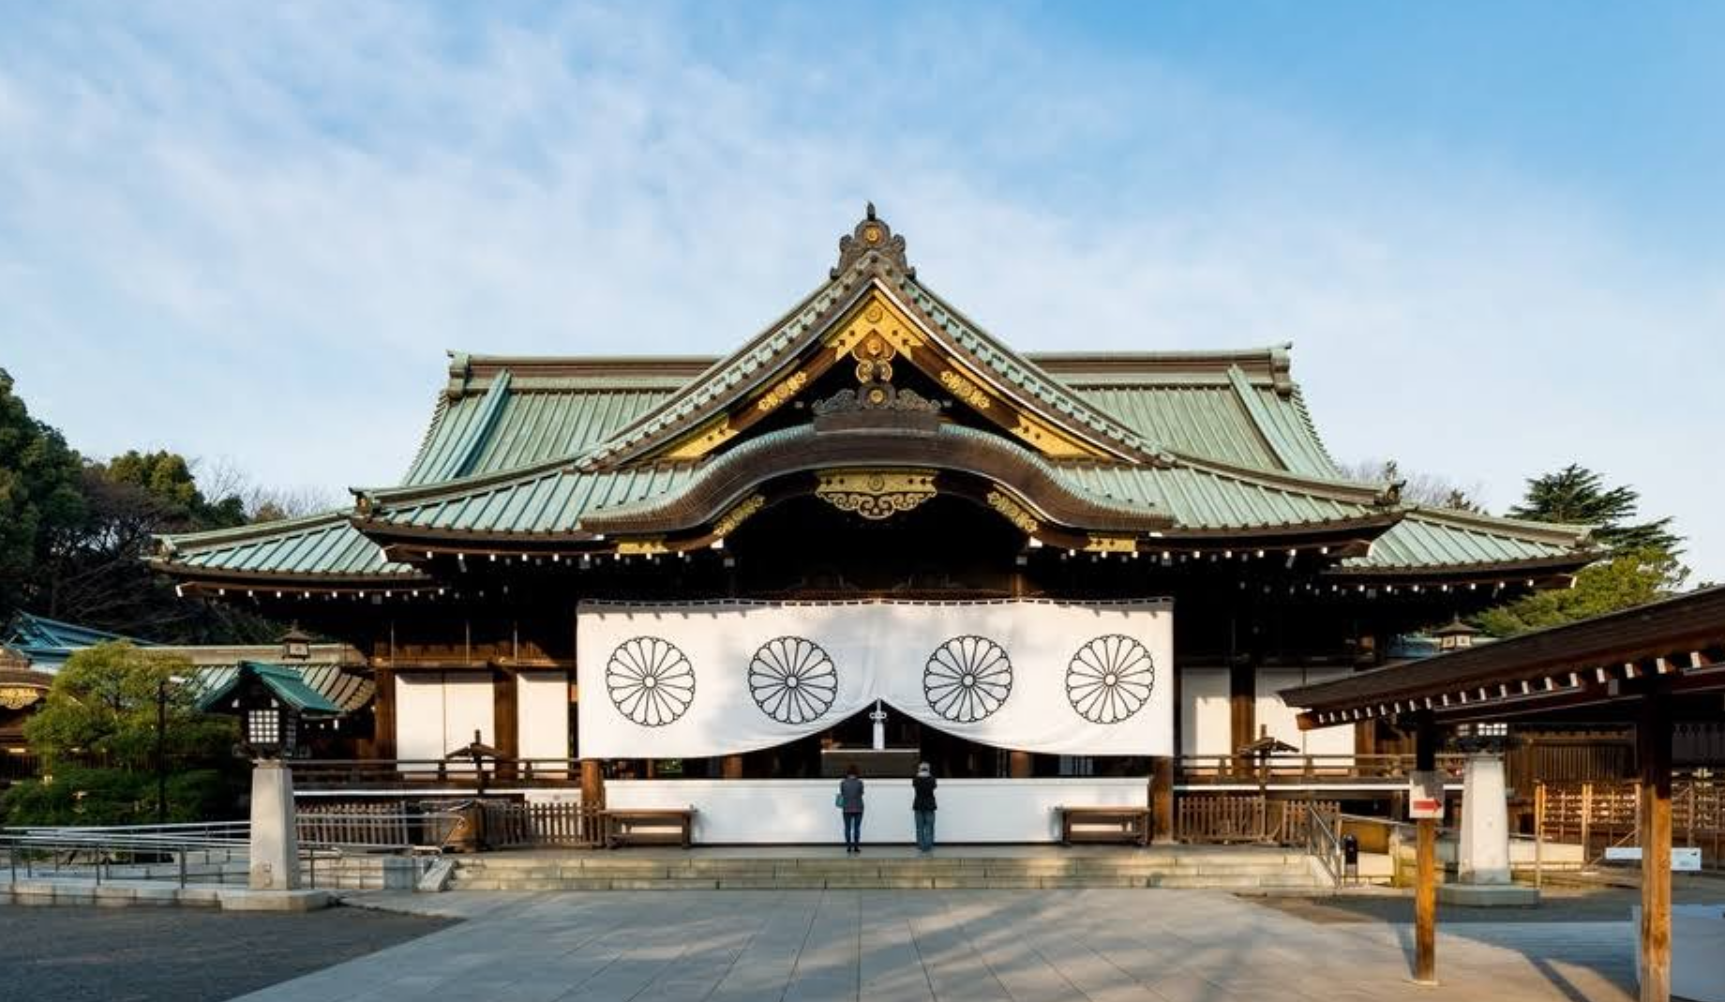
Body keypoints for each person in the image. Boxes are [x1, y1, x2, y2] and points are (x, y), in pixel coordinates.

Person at [838, 765, 865, 853]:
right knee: (857, 828)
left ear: (847, 773)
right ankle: (856, 847)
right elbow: (861, 793)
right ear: (856, 773)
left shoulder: (843, 783)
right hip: (858, 808)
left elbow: (842, 793)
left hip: (846, 808)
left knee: (847, 828)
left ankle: (849, 847)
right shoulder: (860, 783)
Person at [912, 762, 938, 852]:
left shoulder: (915, 779)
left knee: (919, 827)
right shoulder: (932, 779)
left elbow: (914, 785)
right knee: (929, 827)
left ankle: (921, 846)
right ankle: (928, 845)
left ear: (919, 769)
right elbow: (934, 786)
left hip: (918, 806)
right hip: (930, 806)